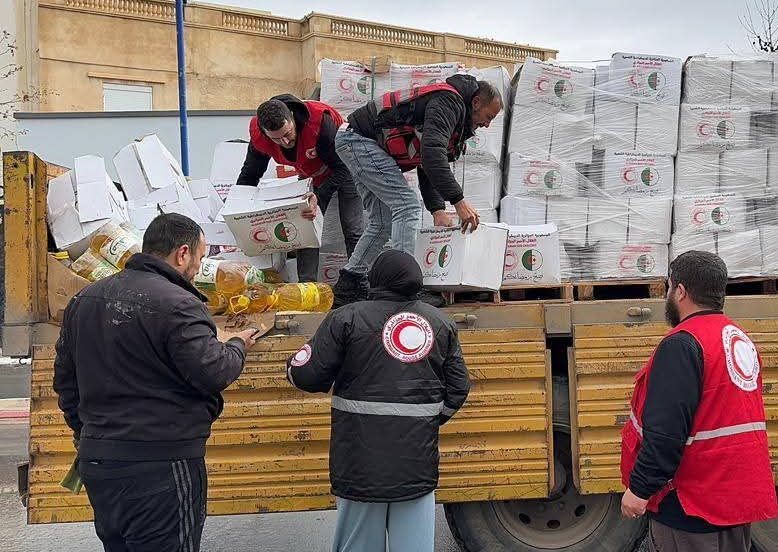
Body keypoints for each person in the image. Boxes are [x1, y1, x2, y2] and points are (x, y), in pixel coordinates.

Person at [53, 213, 258, 552]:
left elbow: (66, 383)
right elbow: (214, 372)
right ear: (182, 254)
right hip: (160, 464)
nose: (197, 269)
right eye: (199, 259)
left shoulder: (85, 299)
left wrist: (91, 433)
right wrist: (237, 344)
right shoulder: (179, 303)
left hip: (99, 463)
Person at [286, 249, 471, 552]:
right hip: (416, 466)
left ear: (376, 280)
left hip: (359, 467)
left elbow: (308, 376)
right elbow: (459, 387)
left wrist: (291, 366)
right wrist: (428, 419)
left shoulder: (346, 318)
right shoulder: (440, 323)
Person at [620, 251, 778, 551]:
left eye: (669, 287)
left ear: (680, 291)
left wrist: (639, 489)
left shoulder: (682, 344)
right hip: (733, 500)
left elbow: (666, 432)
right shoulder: (738, 338)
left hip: (691, 503)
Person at [330, 74, 503, 307]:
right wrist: (458, 201)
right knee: (407, 206)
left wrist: (437, 210)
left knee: (382, 222)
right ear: (476, 103)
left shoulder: (454, 111)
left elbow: (425, 160)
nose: (487, 124)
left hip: (354, 139)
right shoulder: (448, 102)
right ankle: (403, 286)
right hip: (359, 140)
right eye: (488, 117)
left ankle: (348, 285)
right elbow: (432, 155)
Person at [238, 94, 363, 282]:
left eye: (287, 134)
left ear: (292, 117)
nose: (285, 142)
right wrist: (237, 204)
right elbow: (251, 173)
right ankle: (307, 286)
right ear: (265, 133)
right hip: (311, 172)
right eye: (277, 139)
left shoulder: (321, 123)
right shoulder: (260, 137)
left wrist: (318, 197)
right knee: (306, 228)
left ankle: (359, 282)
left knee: (352, 228)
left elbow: (342, 168)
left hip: (345, 166)